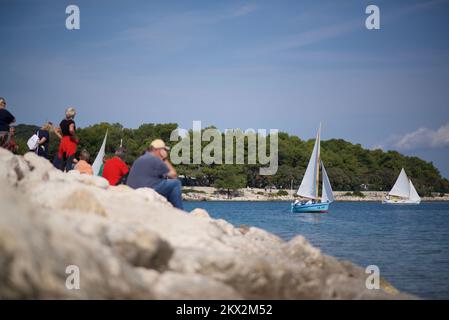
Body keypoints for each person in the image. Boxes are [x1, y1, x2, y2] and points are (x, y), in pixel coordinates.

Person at [127, 139, 183, 210]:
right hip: (146, 190)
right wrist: (165, 159)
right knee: (175, 183)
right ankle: (179, 211)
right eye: (165, 150)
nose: (166, 152)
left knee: (164, 182)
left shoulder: (140, 159)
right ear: (160, 151)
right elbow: (174, 175)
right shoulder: (155, 160)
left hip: (133, 191)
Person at [55, 107, 78, 172]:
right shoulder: (71, 122)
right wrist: (75, 137)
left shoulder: (62, 122)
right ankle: (68, 178)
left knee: (63, 162)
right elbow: (71, 130)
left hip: (63, 142)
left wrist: (62, 138)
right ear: (73, 114)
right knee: (69, 162)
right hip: (70, 142)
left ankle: (61, 176)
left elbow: (56, 131)